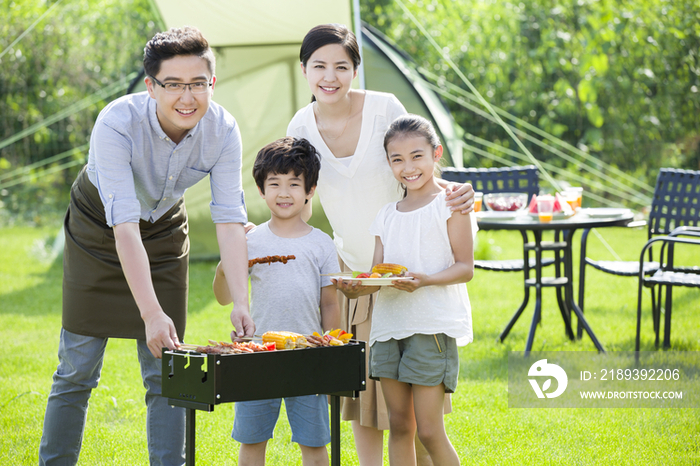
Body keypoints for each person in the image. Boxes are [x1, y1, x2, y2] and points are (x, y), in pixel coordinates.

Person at [38, 26, 253, 466]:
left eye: (197, 83)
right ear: (151, 86)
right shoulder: (117, 123)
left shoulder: (223, 130)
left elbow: (231, 221)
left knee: (166, 370)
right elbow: (124, 227)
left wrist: (241, 301)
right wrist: (151, 315)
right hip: (99, 229)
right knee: (78, 367)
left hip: (165, 233)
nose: (187, 97)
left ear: (211, 82)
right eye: (173, 84)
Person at [286, 23, 475, 466]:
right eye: (319, 66)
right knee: (365, 404)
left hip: (412, 276)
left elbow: (416, 162)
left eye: (341, 66)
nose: (330, 77)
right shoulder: (300, 125)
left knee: (414, 418)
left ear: (356, 69)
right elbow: (301, 197)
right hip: (357, 274)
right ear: (304, 70)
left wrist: (458, 193)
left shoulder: (384, 107)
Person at [340, 114, 475, 466]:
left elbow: (465, 268)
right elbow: (379, 273)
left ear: (436, 154)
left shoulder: (451, 204)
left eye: (417, 156)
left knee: (429, 431)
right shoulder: (387, 214)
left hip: (430, 326)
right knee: (400, 425)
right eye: (397, 159)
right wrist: (358, 289)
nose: (408, 167)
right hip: (388, 329)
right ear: (388, 163)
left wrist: (425, 280)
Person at [212, 137, 341, 466]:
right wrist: (227, 261)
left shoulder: (322, 245)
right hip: (257, 355)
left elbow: (329, 303)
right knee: (253, 439)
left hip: (308, 356)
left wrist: (331, 351)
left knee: (314, 442)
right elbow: (223, 296)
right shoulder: (249, 241)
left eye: (294, 183)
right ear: (261, 189)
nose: (284, 193)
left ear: (310, 190)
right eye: (275, 183)